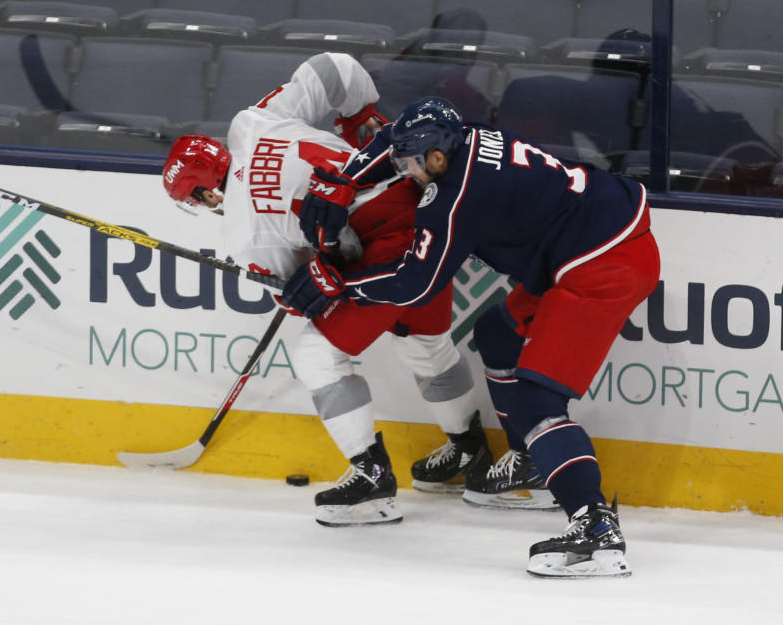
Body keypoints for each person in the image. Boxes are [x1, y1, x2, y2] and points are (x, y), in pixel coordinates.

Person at [281, 96, 660, 577]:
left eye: (412, 164)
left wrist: (336, 284)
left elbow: (415, 284)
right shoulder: (469, 133)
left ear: (438, 158)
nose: (405, 173)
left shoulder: (454, 200)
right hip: (595, 233)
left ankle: (594, 526)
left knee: (536, 403)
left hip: (599, 264)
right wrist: (344, 179)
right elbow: (395, 132)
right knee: (496, 333)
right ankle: (533, 461)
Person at [159, 54, 491, 527]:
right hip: (427, 206)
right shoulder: (252, 123)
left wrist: (304, 279)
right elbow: (333, 68)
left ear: (205, 195)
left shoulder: (243, 232)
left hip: (388, 243)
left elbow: (301, 297)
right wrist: (359, 117)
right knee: (425, 343)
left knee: (317, 354)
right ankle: (469, 448)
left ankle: (371, 479)